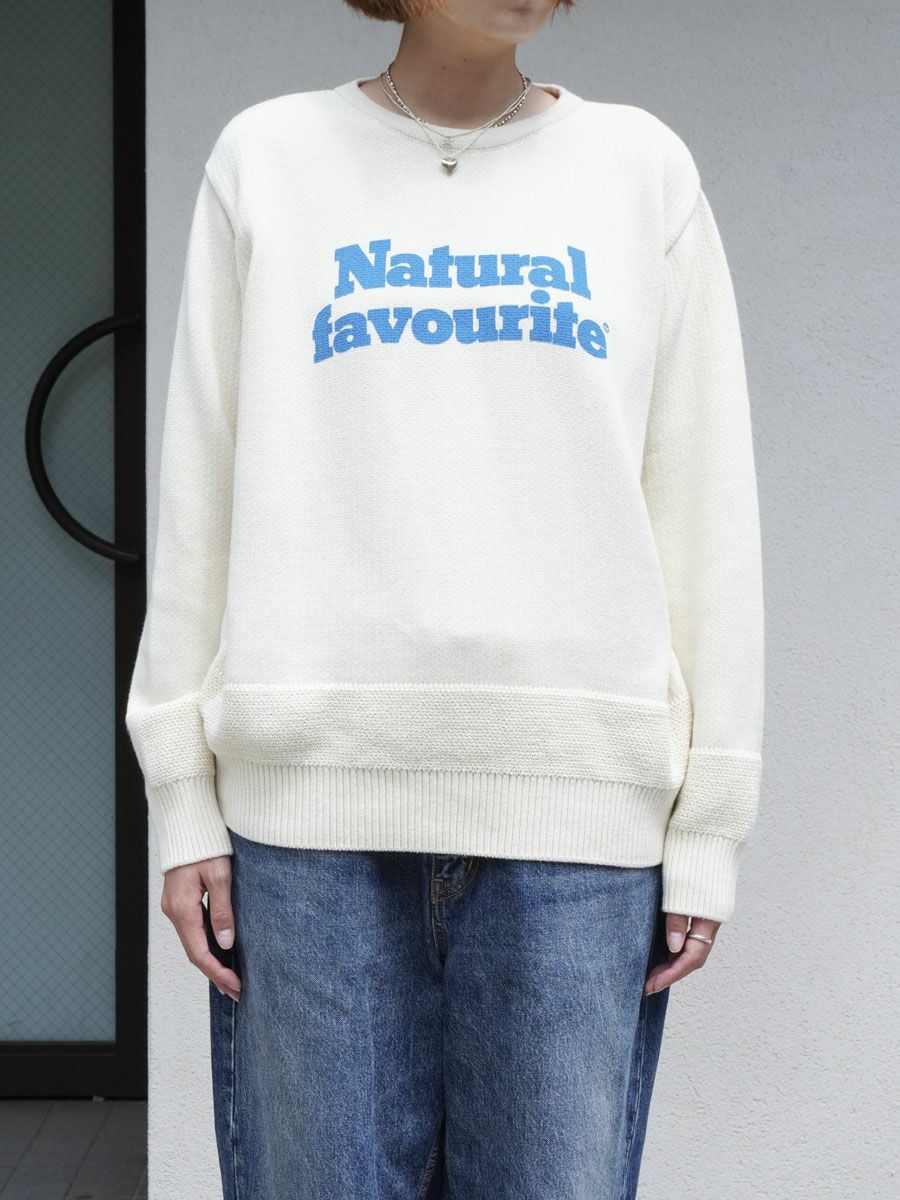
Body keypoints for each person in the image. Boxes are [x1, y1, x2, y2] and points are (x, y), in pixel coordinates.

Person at [125, 0, 765, 1195]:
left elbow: (704, 505)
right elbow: (199, 486)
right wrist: (182, 796)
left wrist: (710, 819)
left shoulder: (642, 171)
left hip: (576, 828)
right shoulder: (269, 159)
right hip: (306, 826)